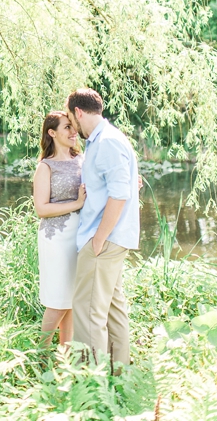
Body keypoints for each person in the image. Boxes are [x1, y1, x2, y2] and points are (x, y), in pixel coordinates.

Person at [65, 87, 140, 367]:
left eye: (72, 120)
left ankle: (91, 388)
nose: (72, 126)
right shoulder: (101, 141)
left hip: (104, 239)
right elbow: (122, 184)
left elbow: (120, 194)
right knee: (112, 311)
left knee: (87, 313)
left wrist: (99, 238)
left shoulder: (107, 141)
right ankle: (120, 379)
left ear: (79, 112)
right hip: (111, 238)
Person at [32, 111, 86, 346]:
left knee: (72, 300)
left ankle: (65, 355)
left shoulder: (81, 160)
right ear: (52, 133)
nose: (74, 132)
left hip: (80, 236)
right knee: (58, 299)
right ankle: (41, 353)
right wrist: (76, 204)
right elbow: (41, 209)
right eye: (67, 127)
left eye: (74, 127)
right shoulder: (46, 167)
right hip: (56, 239)